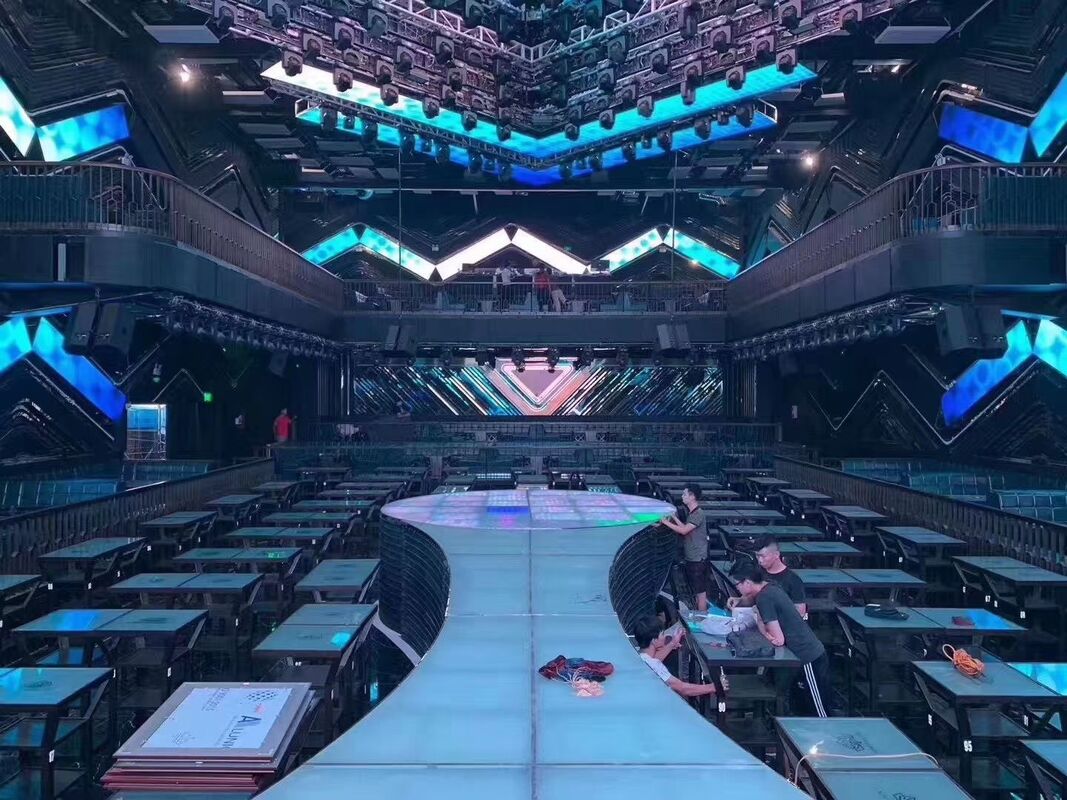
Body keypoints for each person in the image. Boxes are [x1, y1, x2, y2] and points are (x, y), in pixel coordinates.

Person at [730, 562, 833, 717]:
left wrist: (760, 621)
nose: (737, 588)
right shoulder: (770, 586)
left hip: (807, 657)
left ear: (748, 583)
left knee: (820, 713)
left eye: (737, 584)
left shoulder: (764, 598)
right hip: (797, 658)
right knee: (801, 709)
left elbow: (778, 640)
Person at [633, 615, 720, 699]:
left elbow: (654, 660)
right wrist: (714, 687)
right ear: (654, 640)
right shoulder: (654, 665)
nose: (665, 636)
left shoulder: (637, 655)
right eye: (662, 634)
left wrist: (673, 643)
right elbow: (683, 688)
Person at [728, 537, 807, 617]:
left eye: (763, 556)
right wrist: (740, 601)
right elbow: (752, 596)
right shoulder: (757, 571)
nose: (760, 560)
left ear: (776, 554)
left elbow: (800, 612)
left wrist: (769, 611)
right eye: (757, 556)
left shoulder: (793, 580)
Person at [659, 484, 709, 611]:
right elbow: (685, 527)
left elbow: (684, 531)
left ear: (692, 496)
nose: (682, 496)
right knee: (697, 592)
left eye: (684, 494)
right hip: (693, 558)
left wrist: (665, 522)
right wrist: (674, 517)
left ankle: (702, 617)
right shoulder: (692, 513)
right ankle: (699, 614)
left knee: (701, 594)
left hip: (698, 559)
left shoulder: (698, 513)